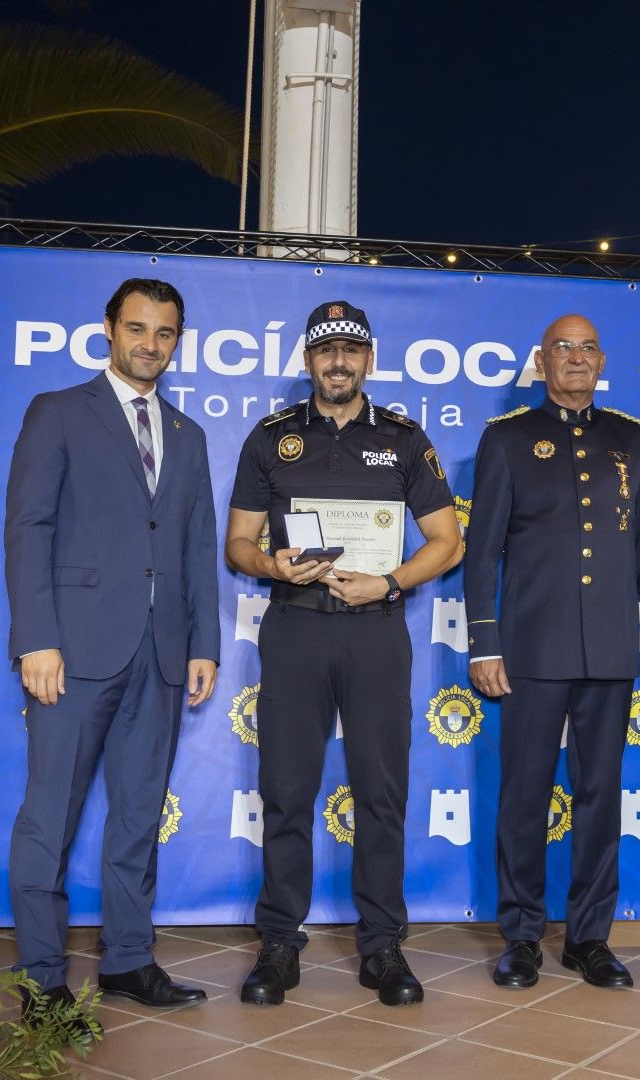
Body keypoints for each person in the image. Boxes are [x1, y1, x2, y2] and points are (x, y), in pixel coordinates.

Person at [225, 300, 463, 1007]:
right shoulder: (269, 439)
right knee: (287, 791)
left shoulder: (403, 437)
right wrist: (274, 566)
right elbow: (238, 545)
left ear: (369, 361)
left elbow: (448, 541)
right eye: (326, 350)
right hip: (295, 627)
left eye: (351, 350)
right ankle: (278, 942)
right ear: (307, 361)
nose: (339, 361)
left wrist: (388, 581)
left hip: (375, 632)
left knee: (381, 792)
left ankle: (383, 946)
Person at [5, 277, 220, 1021]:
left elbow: (195, 546)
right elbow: (28, 529)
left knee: (137, 815)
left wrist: (204, 644)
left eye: (164, 333)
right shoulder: (59, 413)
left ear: (176, 341)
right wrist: (36, 637)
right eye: (137, 329)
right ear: (109, 329)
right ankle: (41, 976)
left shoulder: (189, 436)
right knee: (49, 817)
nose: (150, 345)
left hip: (161, 656)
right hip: (73, 653)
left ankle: (128, 959)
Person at [464, 313, 640, 990]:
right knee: (524, 797)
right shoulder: (507, 440)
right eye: (563, 348)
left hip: (611, 650)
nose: (576, 358)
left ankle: (589, 937)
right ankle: (521, 936)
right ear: (542, 361)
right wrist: (483, 644)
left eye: (587, 348)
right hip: (529, 649)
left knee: (599, 796)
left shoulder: (632, 442)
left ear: (601, 360)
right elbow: (482, 553)